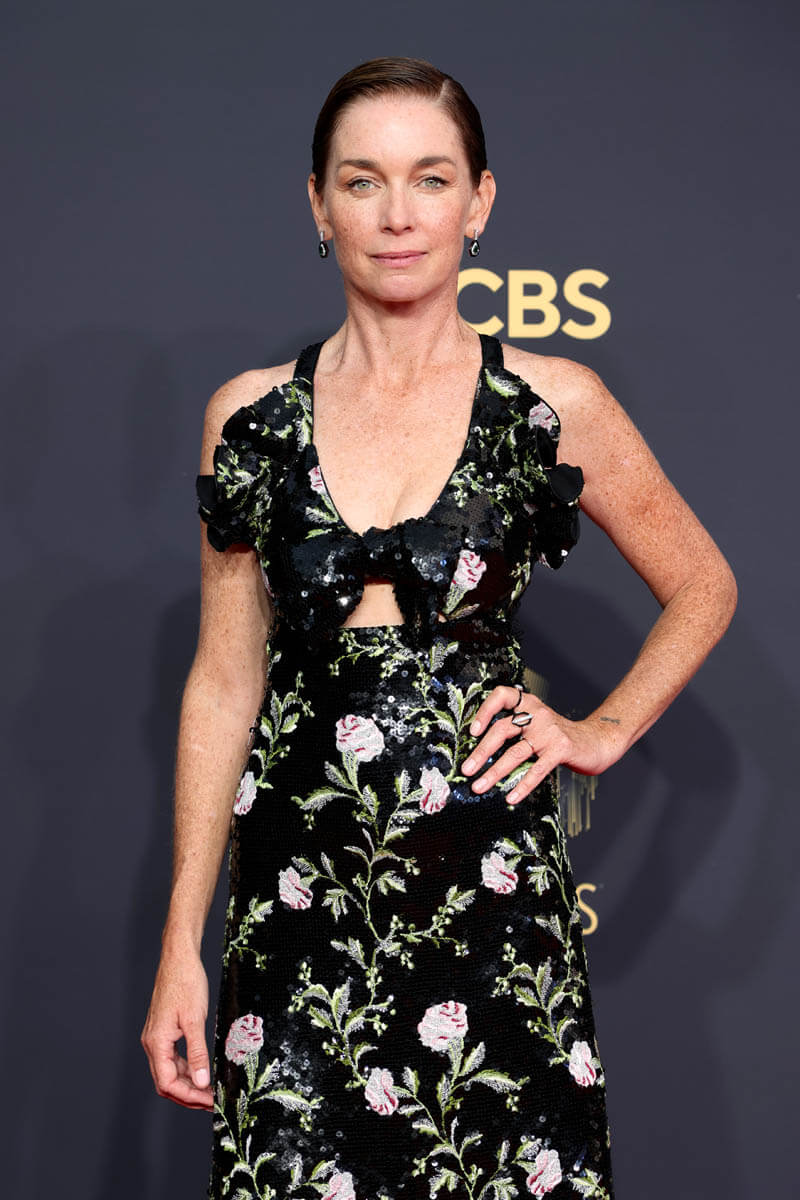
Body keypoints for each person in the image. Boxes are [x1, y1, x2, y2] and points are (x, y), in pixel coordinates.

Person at [141, 56, 736, 1200]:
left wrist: (598, 730)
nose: (397, 215)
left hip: (491, 898)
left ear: (478, 202)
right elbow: (223, 681)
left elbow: (701, 584)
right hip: (297, 906)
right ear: (318, 205)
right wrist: (182, 944)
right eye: (361, 182)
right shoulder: (249, 419)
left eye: (430, 178)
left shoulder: (549, 403)